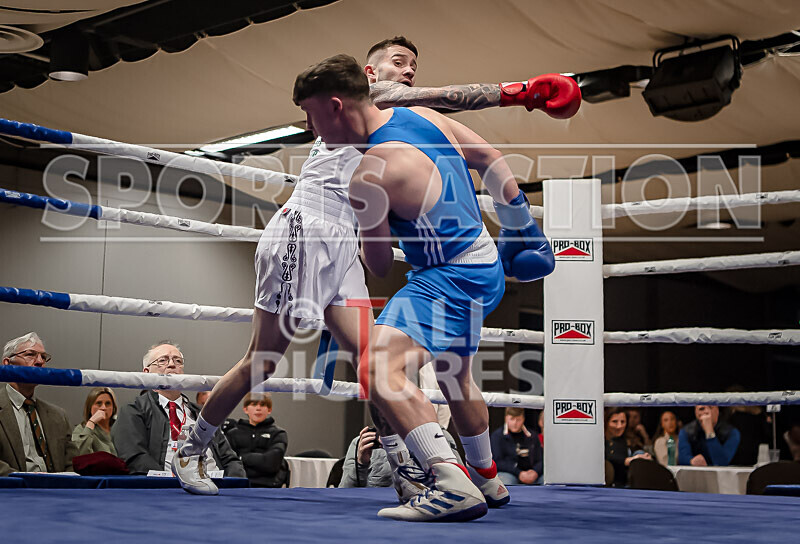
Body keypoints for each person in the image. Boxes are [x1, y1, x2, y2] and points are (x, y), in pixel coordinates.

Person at [173, 36, 579, 504]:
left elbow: (453, 113)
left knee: (378, 363)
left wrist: (522, 95)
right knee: (264, 360)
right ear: (369, 71)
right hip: (304, 235)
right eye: (398, 62)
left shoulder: (398, 118)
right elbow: (452, 97)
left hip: (346, 242)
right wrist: (516, 93)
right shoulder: (363, 99)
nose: (407, 73)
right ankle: (191, 447)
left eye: (413, 66)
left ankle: (411, 467)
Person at [292, 55, 578, 522]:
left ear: (337, 106)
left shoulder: (369, 174)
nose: (309, 128)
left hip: (448, 279)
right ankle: (486, 477)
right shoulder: (422, 117)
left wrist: (359, 230)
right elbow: (489, 158)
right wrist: (523, 227)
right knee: (455, 375)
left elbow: (380, 265)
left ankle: (449, 482)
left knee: (376, 366)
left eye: (310, 114)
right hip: (484, 262)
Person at [112, 341, 245, 478]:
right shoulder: (133, 411)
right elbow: (135, 457)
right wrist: (171, 481)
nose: (171, 364)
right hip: (166, 488)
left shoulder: (202, 414)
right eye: (162, 360)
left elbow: (230, 459)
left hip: (216, 486)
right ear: (146, 372)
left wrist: (234, 483)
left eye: (178, 361)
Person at [0, 332, 77, 476]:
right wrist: (23, 480)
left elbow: (71, 465)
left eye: (43, 357)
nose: (40, 361)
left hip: (57, 493)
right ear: (7, 364)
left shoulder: (58, 416)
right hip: (10, 493)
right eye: (31, 354)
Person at [339, 424, 460, 489]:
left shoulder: (438, 436)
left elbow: (461, 487)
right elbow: (344, 493)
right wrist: (361, 464)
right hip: (375, 514)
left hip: (424, 510)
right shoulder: (363, 443)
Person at [223, 392, 288, 487]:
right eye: (253, 404)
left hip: (269, 487)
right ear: (245, 409)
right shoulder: (232, 434)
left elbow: (271, 464)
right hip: (239, 486)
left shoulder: (279, 433)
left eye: (263, 405)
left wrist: (241, 457)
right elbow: (228, 463)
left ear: (269, 409)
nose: (258, 408)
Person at [490, 407, 543, 486]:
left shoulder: (533, 436)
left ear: (523, 419)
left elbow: (541, 459)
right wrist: (518, 472)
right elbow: (497, 462)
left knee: (548, 480)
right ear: (506, 418)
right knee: (506, 481)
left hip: (532, 473)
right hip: (510, 473)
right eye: (512, 419)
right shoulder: (497, 436)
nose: (515, 423)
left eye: (518, 420)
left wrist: (535, 471)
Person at [604, 408, 651, 487]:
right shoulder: (599, 440)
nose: (619, 426)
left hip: (625, 484)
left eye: (623, 422)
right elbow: (609, 457)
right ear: (606, 422)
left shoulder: (623, 440)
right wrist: (632, 460)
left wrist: (643, 457)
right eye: (614, 422)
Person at [72, 387, 118, 456]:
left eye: (108, 403)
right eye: (99, 403)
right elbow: (79, 455)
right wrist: (91, 422)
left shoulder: (119, 427)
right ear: (90, 407)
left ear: (113, 407)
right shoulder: (81, 429)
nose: (103, 408)